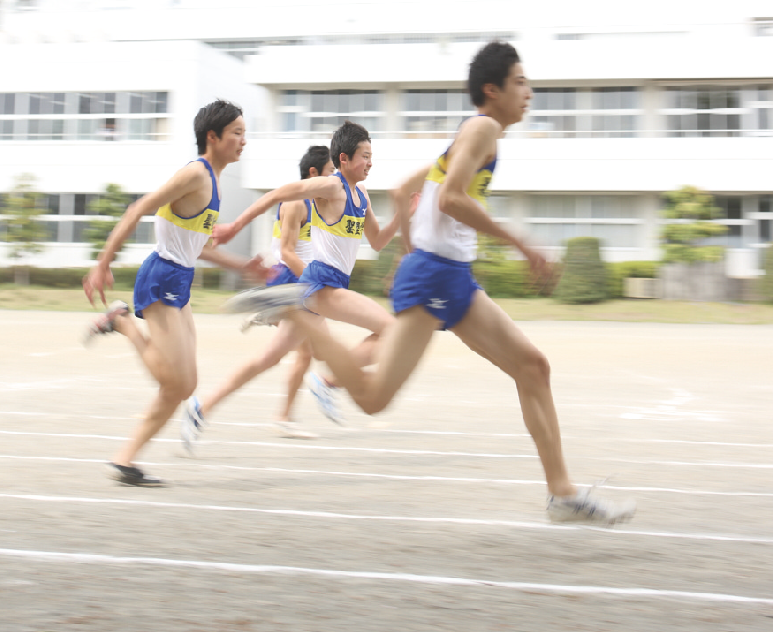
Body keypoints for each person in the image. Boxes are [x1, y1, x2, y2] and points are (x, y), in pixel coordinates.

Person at [237, 42, 637, 525]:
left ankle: (562, 492)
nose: (529, 93)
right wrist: (521, 244)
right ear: (493, 90)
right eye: (520, 83)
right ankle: (298, 310)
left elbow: (407, 190)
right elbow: (448, 199)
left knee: (533, 367)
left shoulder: (469, 137)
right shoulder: (484, 128)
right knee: (373, 397)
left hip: (450, 274)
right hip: (436, 276)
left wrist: (408, 248)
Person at [82, 99, 268, 487]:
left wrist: (243, 267)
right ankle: (122, 323)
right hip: (162, 276)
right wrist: (103, 262)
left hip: (178, 280)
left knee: (184, 385)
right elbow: (138, 209)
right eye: (237, 133)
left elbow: (198, 247)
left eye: (244, 134)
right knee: (174, 383)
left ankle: (125, 460)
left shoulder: (213, 183)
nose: (243, 141)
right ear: (212, 137)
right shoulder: (196, 174)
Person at [188, 120, 407, 446]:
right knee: (393, 331)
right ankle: (328, 380)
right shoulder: (330, 187)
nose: (370, 162)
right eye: (364, 155)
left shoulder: (362, 196)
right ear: (344, 159)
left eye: (372, 155)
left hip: (323, 288)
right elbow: (279, 193)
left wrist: (404, 214)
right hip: (323, 284)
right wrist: (235, 225)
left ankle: (201, 407)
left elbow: (376, 241)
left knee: (268, 359)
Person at [182, 145, 336, 445]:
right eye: (331, 172)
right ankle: (203, 407)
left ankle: (284, 416)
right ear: (314, 173)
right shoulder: (296, 203)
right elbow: (289, 252)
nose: (334, 179)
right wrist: (316, 279)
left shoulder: (319, 203)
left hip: (300, 286)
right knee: (299, 354)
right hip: (291, 285)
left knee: (304, 354)